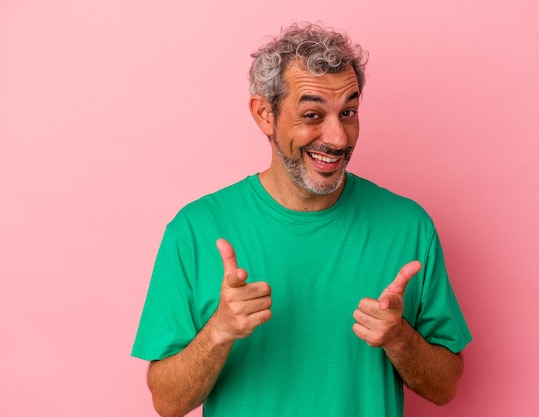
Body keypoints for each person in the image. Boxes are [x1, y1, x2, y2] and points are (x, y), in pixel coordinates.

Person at [132, 22, 472, 417]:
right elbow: (168, 403)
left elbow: (445, 388)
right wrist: (220, 332)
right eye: (312, 114)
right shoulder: (195, 230)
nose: (339, 137)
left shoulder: (409, 228)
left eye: (348, 112)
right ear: (264, 115)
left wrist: (400, 338)